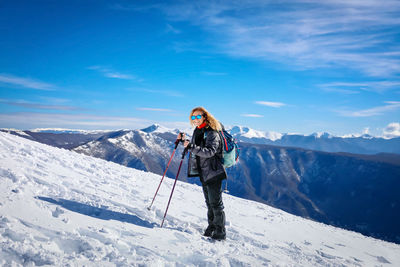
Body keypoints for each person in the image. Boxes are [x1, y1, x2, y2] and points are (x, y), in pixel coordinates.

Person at [178, 107, 227, 240]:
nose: (195, 120)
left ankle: (220, 232)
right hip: (204, 172)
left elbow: (209, 152)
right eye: (193, 117)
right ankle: (211, 227)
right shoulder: (198, 131)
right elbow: (195, 147)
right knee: (209, 202)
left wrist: (191, 146)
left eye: (198, 117)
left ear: (205, 116)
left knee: (216, 204)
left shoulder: (212, 132)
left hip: (214, 172)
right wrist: (184, 141)